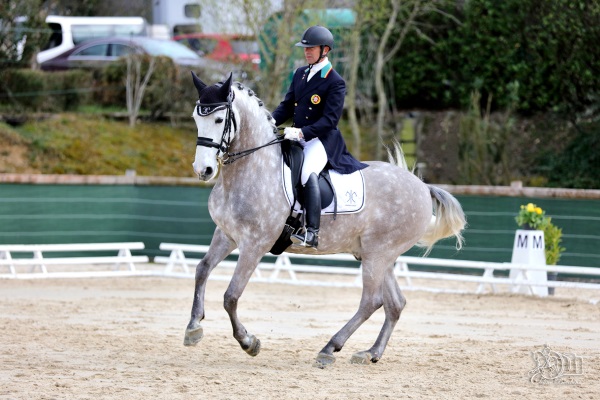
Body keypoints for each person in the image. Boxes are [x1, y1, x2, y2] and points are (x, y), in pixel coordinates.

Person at [271, 25, 368, 249]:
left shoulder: (335, 81)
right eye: (305, 48)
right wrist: (268, 123)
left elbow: (329, 121)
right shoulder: (300, 74)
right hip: (296, 136)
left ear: (325, 50)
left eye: (311, 48)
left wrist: (303, 132)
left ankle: (312, 232)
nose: (306, 52)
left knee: (307, 173)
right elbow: (286, 107)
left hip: (321, 140)